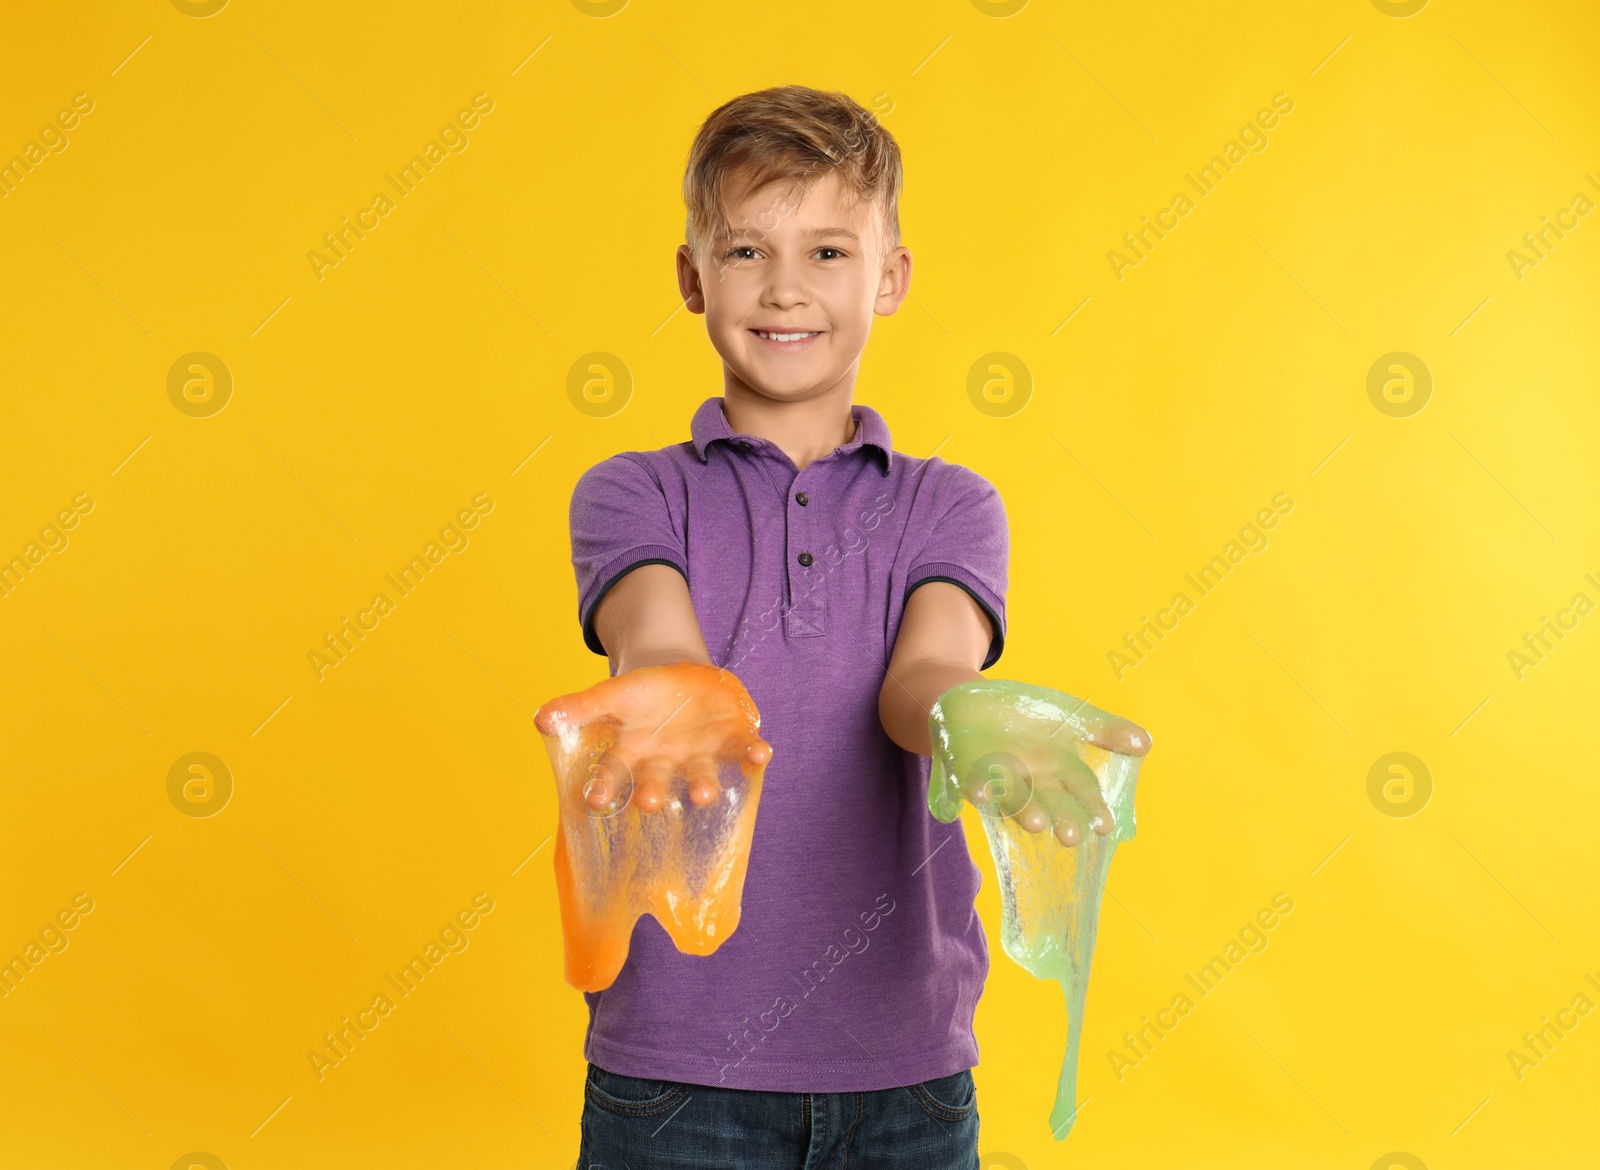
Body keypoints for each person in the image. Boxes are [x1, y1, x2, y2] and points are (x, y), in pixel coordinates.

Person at [547, 84, 1149, 1169]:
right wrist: (676, 703)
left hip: (903, 1079)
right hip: (675, 1078)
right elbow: (655, 643)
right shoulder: (631, 493)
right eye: (744, 253)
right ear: (691, 279)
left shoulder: (949, 504)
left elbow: (920, 679)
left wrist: (981, 722)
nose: (785, 288)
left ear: (891, 275)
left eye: (828, 252)